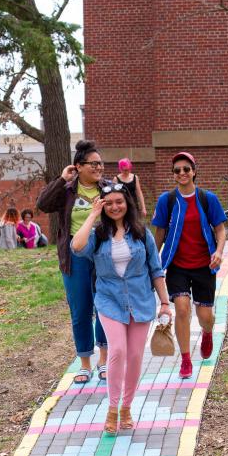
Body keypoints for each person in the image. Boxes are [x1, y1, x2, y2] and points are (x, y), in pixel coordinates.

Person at [71, 185, 169, 433]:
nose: (115, 206)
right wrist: (92, 215)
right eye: (110, 202)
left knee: (135, 355)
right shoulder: (98, 235)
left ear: (128, 204)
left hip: (140, 300)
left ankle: (126, 407)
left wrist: (165, 303)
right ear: (104, 205)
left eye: (120, 201)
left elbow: (156, 270)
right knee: (117, 351)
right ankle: (112, 409)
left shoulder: (141, 234)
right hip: (109, 300)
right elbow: (76, 246)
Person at [36, 139, 109, 384]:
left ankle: (104, 360)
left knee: (104, 308)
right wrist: (60, 179)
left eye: (101, 164)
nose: (99, 168)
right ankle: (85, 363)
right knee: (80, 310)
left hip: (103, 254)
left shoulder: (108, 189)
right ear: (78, 166)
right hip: (74, 255)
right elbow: (42, 204)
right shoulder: (67, 191)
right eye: (93, 164)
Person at [151, 151, 227, 379]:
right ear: (173, 175)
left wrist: (219, 251)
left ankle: (207, 332)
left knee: (205, 315)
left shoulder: (207, 198)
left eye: (186, 169)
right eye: (177, 170)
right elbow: (160, 232)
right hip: (177, 265)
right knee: (182, 308)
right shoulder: (168, 200)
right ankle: (185, 360)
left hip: (204, 264)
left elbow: (221, 229)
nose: (182, 173)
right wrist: (153, 260)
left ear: (194, 171)